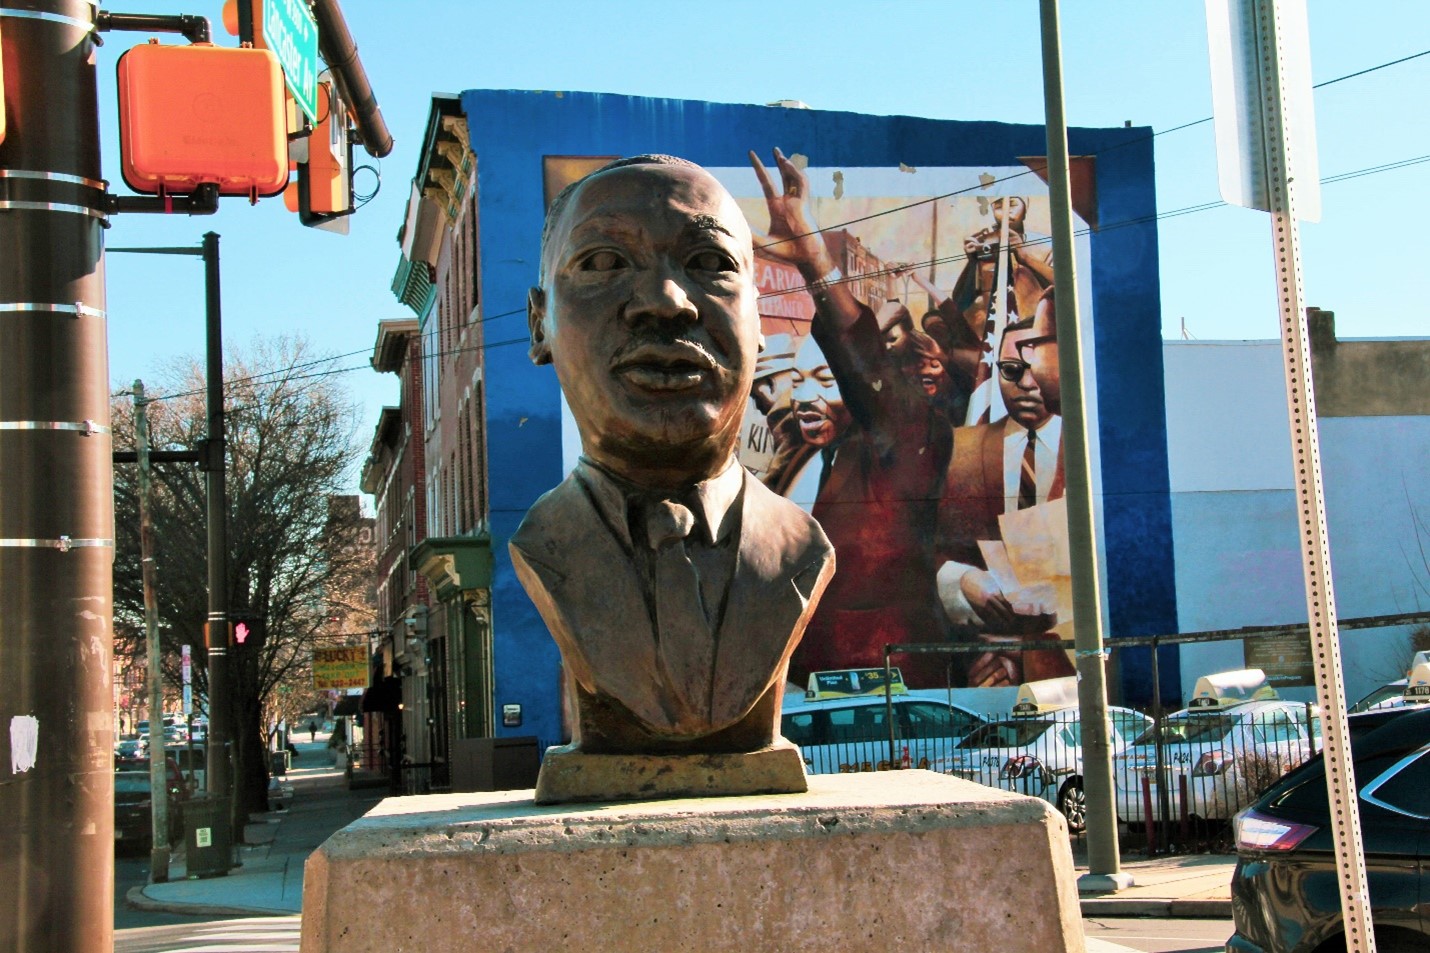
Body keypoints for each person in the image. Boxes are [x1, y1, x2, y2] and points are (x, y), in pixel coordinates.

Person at [511, 155, 835, 795]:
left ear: (760, 323)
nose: (666, 303)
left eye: (711, 265)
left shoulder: (800, 551)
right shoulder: (547, 547)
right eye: (603, 263)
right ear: (539, 323)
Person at [750, 148, 953, 687]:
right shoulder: (798, 459)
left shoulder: (910, 438)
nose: (809, 397)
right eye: (803, 380)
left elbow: (861, 362)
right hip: (795, 687)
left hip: (884, 694)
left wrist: (813, 255)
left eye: (829, 379)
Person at [935, 289, 1072, 686]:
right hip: (981, 668)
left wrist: (1026, 657)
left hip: (1070, 671)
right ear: (995, 371)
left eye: (1039, 368)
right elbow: (926, 550)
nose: (1028, 384)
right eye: (1012, 370)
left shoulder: (1090, 452)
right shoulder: (960, 449)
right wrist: (959, 581)